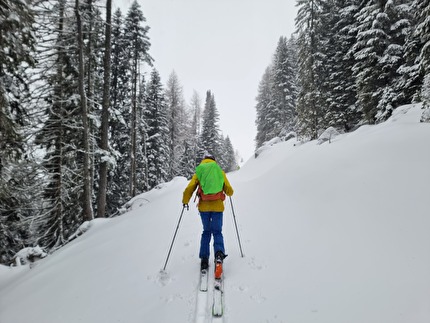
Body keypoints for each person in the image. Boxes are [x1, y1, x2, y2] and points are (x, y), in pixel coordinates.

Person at [182, 152, 234, 272]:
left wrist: (185, 200)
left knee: (206, 231)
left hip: (204, 207)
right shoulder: (219, 171)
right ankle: (219, 255)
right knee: (217, 232)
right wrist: (228, 192)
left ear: (204, 160)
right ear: (214, 160)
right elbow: (229, 190)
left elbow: (189, 188)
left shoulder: (199, 171)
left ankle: (204, 259)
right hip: (218, 208)